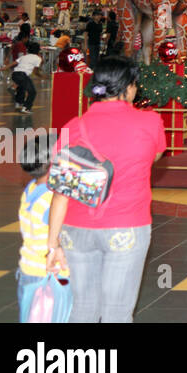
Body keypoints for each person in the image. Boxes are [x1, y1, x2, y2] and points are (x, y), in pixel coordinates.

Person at [46, 56, 166, 323]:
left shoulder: (73, 127)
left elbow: (60, 194)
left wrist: (52, 244)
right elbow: (155, 156)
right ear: (129, 87)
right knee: (117, 313)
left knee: (83, 308)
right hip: (127, 228)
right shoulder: (150, 123)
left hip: (76, 231)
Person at [17, 145, 70, 322]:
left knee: (30, 315)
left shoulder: (31, 189)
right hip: (50, 273)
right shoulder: (50, 199)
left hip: (28, 268)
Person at [12, 40, 43, 115]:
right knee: (32, 92)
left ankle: (18, 103)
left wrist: (1, 69)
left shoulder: (24, 56)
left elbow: (13, 64)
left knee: (22, 88)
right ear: (38, 50)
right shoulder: (38, 58)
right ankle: (26, 108)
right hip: (23, 75)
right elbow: (36, 72)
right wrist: (42, 76)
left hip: (14, 74)